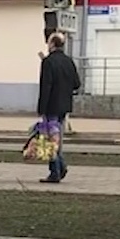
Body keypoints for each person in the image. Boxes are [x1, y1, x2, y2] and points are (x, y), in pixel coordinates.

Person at [36, 31, 81, 184]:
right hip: (64, 106)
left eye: (49, 42)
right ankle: (59, 167)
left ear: (53, 44)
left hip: (51, 107)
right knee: (57, 139)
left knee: (51, 141)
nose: (47, 45)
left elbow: (46, 86)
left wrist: (42, 108)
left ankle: (56, 170)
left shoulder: (48, 62)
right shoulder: (68, 61)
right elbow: (76, 84)